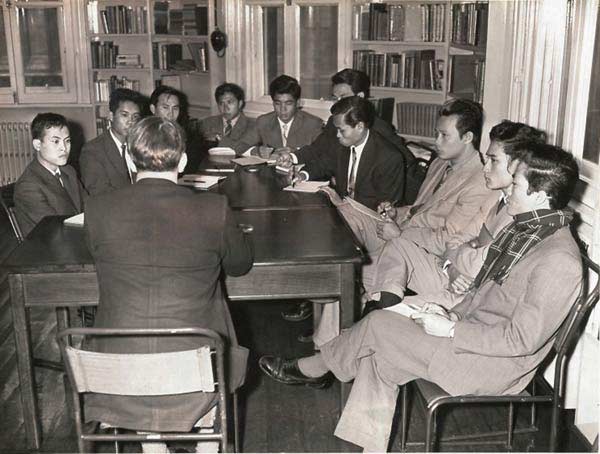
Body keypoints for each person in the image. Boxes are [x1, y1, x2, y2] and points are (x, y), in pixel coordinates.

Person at [259, 142, 582, 452]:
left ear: (540, 195)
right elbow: (483, 291)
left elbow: (520, 342)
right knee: (381, 354)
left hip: (496, 366)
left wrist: (452, 329)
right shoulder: (526, 231)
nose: (507, 188)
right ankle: (367, 445)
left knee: (380, 325)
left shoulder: (557, 260)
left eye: (516, 184)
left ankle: (315, 367)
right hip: (472, 334)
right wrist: (449, 313)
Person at [84, 116, 254, 453]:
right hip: (193, 373)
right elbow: (240, 265)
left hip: (117, 375)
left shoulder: (97, 208)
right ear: (185, 161)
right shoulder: (214, 208)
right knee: (213, 325)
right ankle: (207, 436)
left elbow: (99, 257)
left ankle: (153, 443)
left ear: (131, 160)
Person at [367, 120, 547, 312]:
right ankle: (381, 306)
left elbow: (479, 268)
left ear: (518, 165)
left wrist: (467, 248)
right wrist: (452, 266)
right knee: (388, 254)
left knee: (378, 300)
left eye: (493, 161)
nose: (485, 168)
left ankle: (381, 311)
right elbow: (455, 242)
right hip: (452, 274)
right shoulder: (496, 197)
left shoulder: (521, 211)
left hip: (467, 297)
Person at [345, 98, 498, 301]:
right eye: (437, 133)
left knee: (348, 269)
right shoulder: (439, 165)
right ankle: (332, 328)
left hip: (423, 253)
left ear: (468, 137)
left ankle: (362, 310)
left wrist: (399, 235)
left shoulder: (478, 181)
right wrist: (396, 212)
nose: (436, 141)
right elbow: (422, 209)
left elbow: (448, 240)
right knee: (346, 213)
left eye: (444, 135)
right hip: (401, 230)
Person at [14, 113, 86, 237]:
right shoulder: (28, 186)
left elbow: (89, 204)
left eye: (67, 141)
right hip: (49, 250)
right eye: (56, 141)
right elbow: (55, 230)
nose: (64, 148)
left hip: (76, 238)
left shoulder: (68, 171)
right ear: (37, 145)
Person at [80, 88, 143, 196]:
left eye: (135, 117)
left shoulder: (141, 146)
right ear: (110, 116)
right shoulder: (93, 151)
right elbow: (99, 193)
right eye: (124, 115)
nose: (131, 122)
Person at [245, 74, 323, 150]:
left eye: (288, 103)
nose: (283, 109)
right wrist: (257, 151)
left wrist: (297, 154)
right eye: (278, 103)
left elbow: (322, 155)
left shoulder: (313, 124)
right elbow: (240, 146)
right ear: (273, 103)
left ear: (298, 103)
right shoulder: (263, 121)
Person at [149, 85, 203, 174]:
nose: (171, 114)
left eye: (175, 108)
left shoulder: (188, 137)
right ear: (153, 109)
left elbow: (192, 170)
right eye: (165, 107)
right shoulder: (143, 136)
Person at [199, 82, 255, 155]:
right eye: (221, 103)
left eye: (230, 102)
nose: (225, 108)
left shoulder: (252, 125)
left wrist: (219, 138)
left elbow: (244, 148)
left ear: (240, 104)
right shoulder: (207, 123)